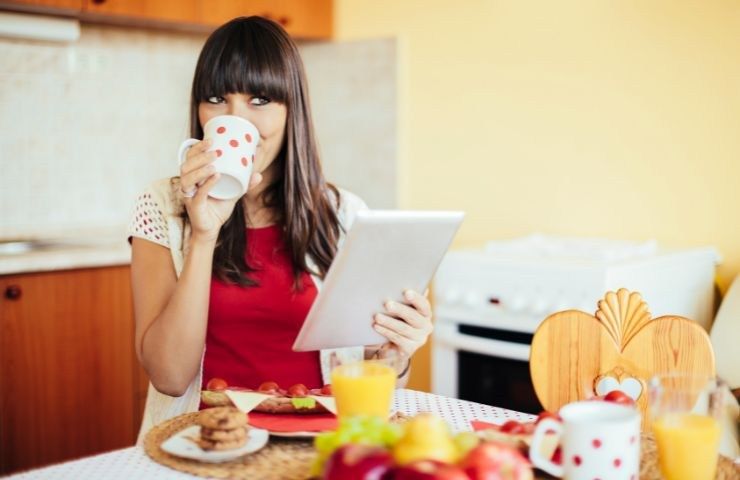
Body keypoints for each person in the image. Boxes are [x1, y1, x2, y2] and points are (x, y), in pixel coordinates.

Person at [127, 16, 434, 442]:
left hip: (318, 443)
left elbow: (371, 381)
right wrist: (203, 235)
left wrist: (395, 356)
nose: (238, 122)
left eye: (260, 100)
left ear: (293, 112)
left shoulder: (344, 213)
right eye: (216, 98)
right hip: (204, 444)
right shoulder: (160, 205)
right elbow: (170, 377)